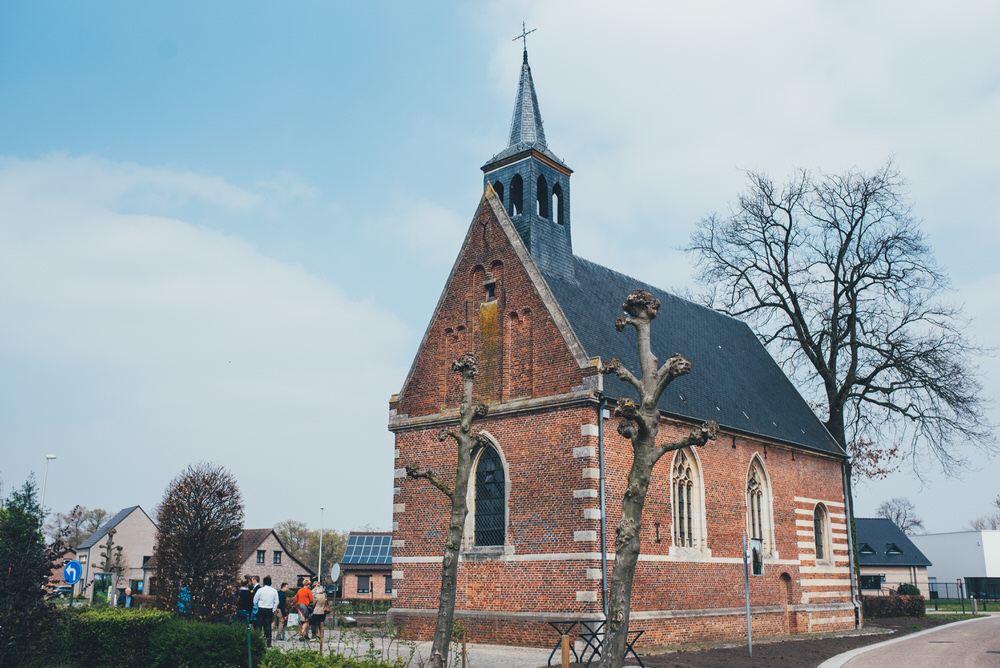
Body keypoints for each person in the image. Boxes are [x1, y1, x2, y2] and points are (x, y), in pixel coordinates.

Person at [252, 575, 280, 647]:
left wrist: (257, 606)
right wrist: (273, 609)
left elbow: (255, 600)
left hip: (261, 609)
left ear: (263, 583)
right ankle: (268, 642)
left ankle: (257, 641)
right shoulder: (274, 591)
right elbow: (276, 601)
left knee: (259, 626)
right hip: (269, 609)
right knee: (268, 626)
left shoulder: (260, 590)